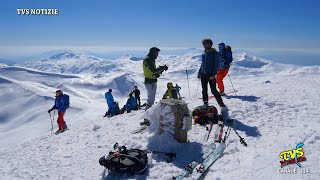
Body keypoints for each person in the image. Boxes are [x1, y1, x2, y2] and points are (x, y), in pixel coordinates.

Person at [198, 39, 225, 107]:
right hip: (203, 74)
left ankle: (220, 103)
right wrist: (199, 73)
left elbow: (217, 65)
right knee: (204, 90)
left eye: (206, 44)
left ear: (210, 44)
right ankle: (205, 103)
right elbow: (202, 64)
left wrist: (213, 75)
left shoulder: (215, 53)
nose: (205, 45)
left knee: (213, 90)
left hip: (211, 75)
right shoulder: (204, 54)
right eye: (204, 44)